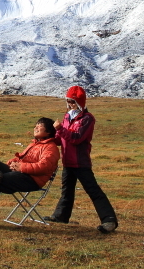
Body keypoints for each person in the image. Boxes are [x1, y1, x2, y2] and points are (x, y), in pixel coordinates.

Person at [0, 117, 60, 230]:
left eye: (39, 126)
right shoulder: (34, 144)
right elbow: (22, 159)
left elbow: (43, 167)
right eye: (36, 125)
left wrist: (21, 167)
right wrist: (12, 163)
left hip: (31, 179)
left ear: (48, 131)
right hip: (20, 173)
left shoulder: (51, 148)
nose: (35, 127)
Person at [46, 85, 118, 233]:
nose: (70, 104)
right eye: (68, 101)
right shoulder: (67, 116)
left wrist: (60, 129)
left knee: (93, 190)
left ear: (80, 102)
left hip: (81, 162)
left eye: (73, 101)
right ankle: (60, 216)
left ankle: (109, 220)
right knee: (66, 191)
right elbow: (60, 139)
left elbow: (77, 138)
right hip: (68, 161)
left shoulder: (87, 119)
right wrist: (46, 140)